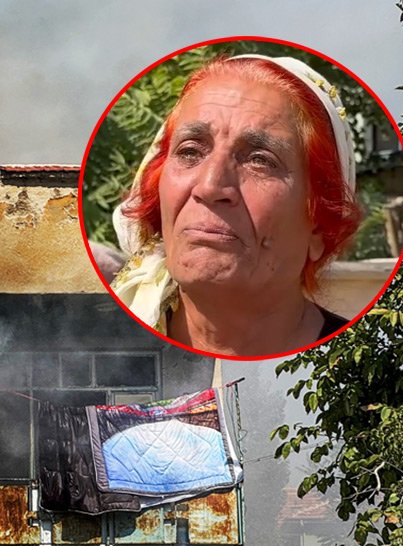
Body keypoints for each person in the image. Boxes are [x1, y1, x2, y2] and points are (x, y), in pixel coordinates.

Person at [110, 54, 362, 356]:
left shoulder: (369, 375)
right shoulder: (102, 344)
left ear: (319, 223)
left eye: (259, 160)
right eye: (190, 152)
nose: (211, 186)